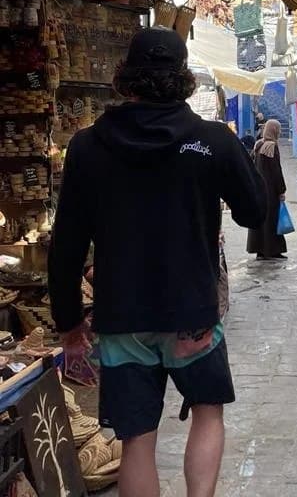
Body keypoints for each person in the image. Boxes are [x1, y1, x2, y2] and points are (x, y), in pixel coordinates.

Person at [48, 27, 266, 497]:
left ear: (125, 78)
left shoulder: (87, 147)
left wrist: (68, 324)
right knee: (207, 411)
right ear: (184, 79)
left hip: (122, 318)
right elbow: (255, 211)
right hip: (193, 318)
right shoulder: (211, 140)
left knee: (137, 441)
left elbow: (65, 244)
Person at [247, 119, 288, 260]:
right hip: (270, 190)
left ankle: (260, 250)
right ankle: (272, 250)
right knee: (272, 220)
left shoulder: (258, 144)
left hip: (258, 189)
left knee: (261, 219)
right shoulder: (271, 147)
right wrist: (281, 189)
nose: (280, 131)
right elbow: (276, 171)